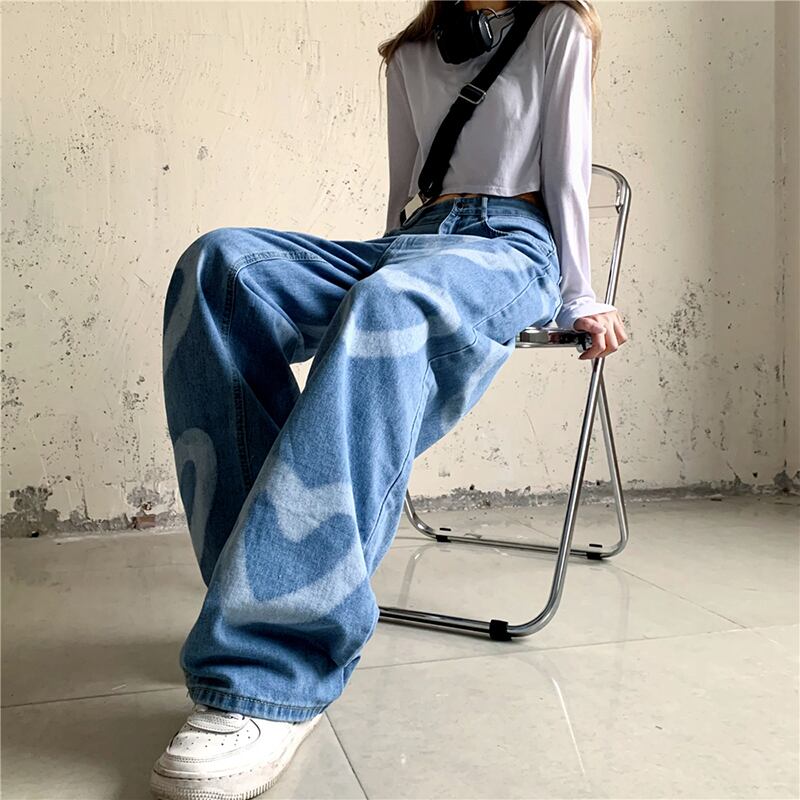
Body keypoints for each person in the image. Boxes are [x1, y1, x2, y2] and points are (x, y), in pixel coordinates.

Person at [150, 1, 628, 798]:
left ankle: (271, 670)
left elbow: (568, 174)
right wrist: (384, 268)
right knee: (219, 269)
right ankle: (261, 588)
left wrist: (581, 294)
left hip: (513, 248)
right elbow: (403, 197)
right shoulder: (408, 54)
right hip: (412, 243)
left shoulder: (557, 28)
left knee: (389, 302)